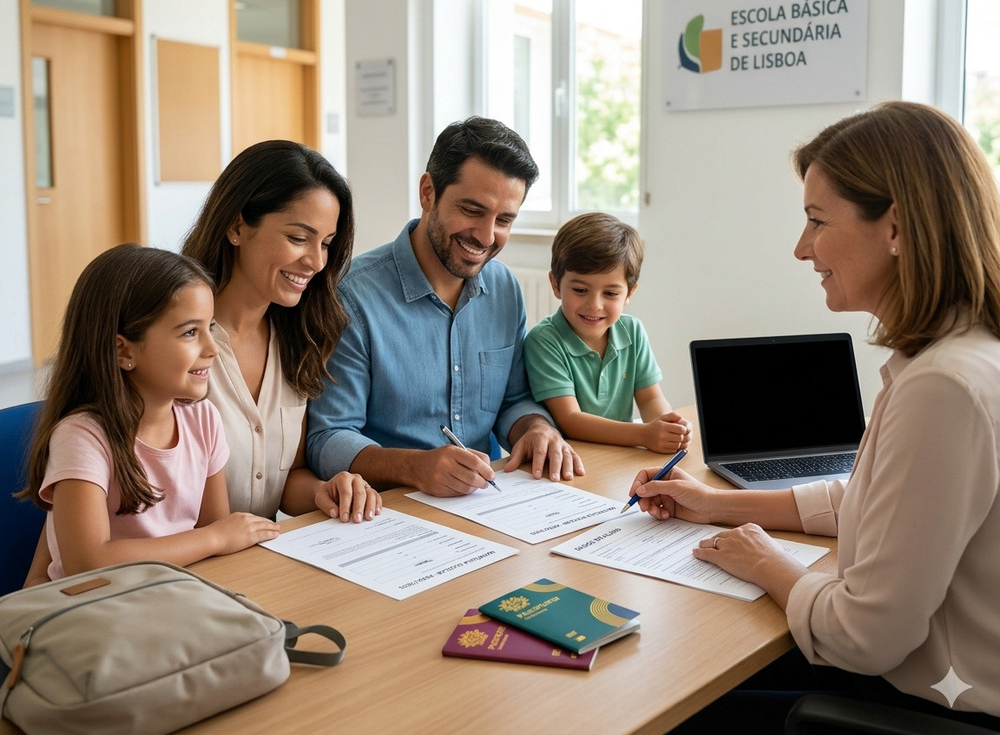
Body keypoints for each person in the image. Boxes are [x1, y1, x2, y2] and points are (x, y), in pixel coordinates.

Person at [629, 101, 1000, 730]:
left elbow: (863, 637)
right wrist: (719, 505)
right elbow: (873, 499)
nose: (802, 248)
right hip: (936, 681)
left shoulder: (943, 389)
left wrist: (765, 561)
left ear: (898, 228)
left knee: (662, 701)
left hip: (935, 706)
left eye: (816, 221)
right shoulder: (965, 354)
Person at [306, 116, 584, 497]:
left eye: (504, 219)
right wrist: (415, 467)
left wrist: (536, 428)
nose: (486, 236)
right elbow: (327, 438)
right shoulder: (352, 296)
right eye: (472, 210)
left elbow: (514, 400)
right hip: (385, 511)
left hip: (483, 503)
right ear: (427, 192)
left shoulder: (504, 289)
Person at [19, 244, 281, 581]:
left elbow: (218, 544)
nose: (213, 348)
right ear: (122, 350)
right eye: (190, 332)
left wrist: (216, 539)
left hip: (167, 597)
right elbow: (88, 564)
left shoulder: (204, 421)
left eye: (210, 328)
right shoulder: (82, 436)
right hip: (94, 610)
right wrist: (213, 539)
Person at [182, 140, 381, 523]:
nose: (316, 261)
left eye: (325, 243)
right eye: (298, 238)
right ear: (237, 226)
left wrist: (326, 490)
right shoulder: (175, 340)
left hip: (253, 560)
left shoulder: (299, 337)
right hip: (182, 566)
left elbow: (285, 480)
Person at [524, 212, 692, 453]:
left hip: (618, 457)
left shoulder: (632, 331)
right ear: (555, 284)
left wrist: (669, 425)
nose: (595, 305)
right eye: (580, 290)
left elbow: (650, 399)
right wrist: (645, 435)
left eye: (611, 293)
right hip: (567, 463)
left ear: (630, 294)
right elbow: (570, 420)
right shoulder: (544, 341)